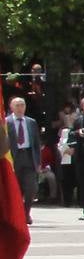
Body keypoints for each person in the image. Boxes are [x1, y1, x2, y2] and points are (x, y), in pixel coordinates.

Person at [6, 96, 41, 224]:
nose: (20, 108)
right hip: (14, 158)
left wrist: (38, 162)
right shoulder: (6, 122)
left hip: (29, 157)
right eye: (17, 105)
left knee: (31, 188)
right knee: (15, 190)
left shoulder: (31, 122)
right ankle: (17, 216)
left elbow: (36, 143)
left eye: (22, 105)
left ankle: (26, 213)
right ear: (11, 107)